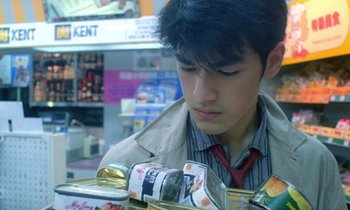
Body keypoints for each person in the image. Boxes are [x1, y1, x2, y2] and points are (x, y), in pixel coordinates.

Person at [99, 0, 347, 209]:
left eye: (226, 71)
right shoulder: (125, 162)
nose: (201, 94)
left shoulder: (317, 164)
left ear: (272, 61)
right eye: (187, 67)